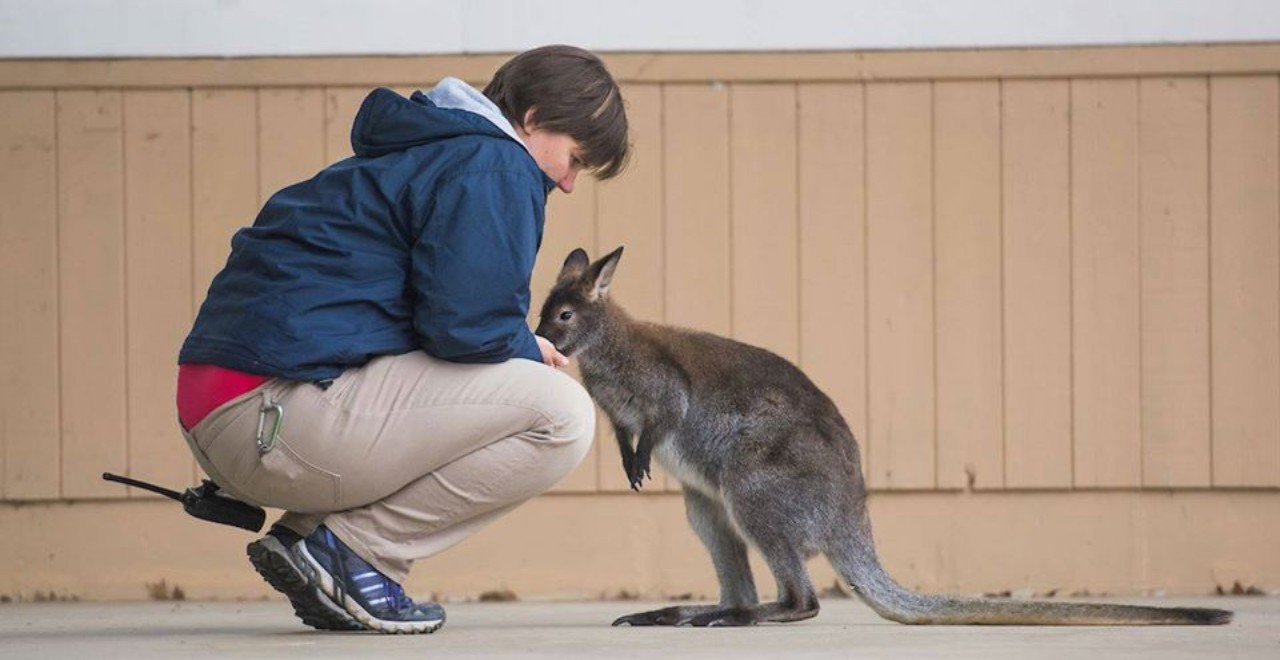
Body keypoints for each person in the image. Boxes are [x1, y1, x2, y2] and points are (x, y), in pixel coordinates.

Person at [175, 45, 629, 634]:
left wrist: (508, 340)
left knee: (506, 383)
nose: (568, 183)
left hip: (225, 414)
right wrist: (523, 347)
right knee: (560, 413)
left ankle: (311, 536)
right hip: (271, 414)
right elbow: (465, 325)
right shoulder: (493, 165)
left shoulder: (431, 152)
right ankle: (355, 554)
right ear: (535, 118)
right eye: (574, 159)